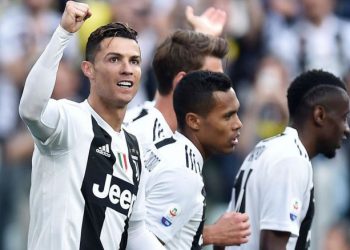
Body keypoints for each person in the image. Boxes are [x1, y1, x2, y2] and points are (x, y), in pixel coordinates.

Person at [18, 1, 164, 249]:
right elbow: (31, 109)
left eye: (135, 61)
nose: (127, 69)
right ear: (89, 70)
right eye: (115, 59)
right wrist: (63, 33)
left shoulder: (135, 148)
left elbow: (136, 230)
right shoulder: (69, 119)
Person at [124, 27, 250, 247]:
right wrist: (209, 234)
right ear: (182, 82)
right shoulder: (137, 137)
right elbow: (121, 229)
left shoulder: (180, 141)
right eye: (211, 78)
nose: (221, 88)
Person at [221, 69, 350, 250]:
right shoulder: (291, 160)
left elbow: (221, 241)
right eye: (344, 118)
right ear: (319, 115)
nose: (347, 129)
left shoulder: (265, 148)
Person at [141, 70, 246, 248]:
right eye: (227, 116)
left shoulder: (168, 148)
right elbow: (143, 243)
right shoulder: (183, 173)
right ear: (194, 121)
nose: (238, 124)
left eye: (237, 113)